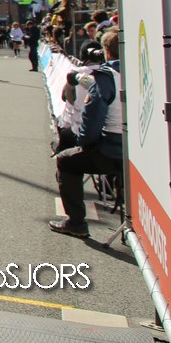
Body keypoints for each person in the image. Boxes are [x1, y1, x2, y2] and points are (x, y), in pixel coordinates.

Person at [50, 29, 123, 239]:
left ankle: (76, 222)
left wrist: (84, 142)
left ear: (107, 52)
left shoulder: (105, 78)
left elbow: (91, 125)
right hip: (139, 151)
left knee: (65, 160)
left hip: (112, 150)